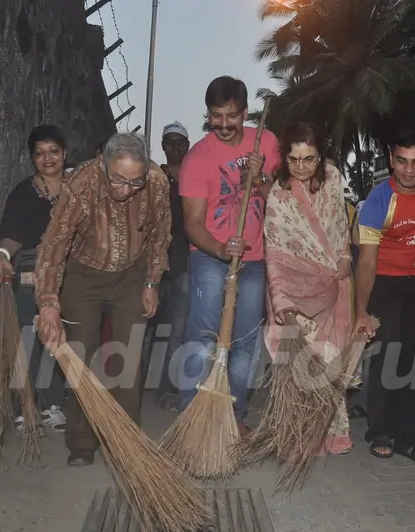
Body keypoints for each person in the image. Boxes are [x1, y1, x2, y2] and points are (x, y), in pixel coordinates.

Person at [34, 132, 171, 467]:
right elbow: (54, 248)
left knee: (130, 356)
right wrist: (49, 304)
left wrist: (152, 281)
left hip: (131, 276)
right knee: (82, 356)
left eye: (134, 182)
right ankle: (82, 441)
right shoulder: (80, 185)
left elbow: (160, 234)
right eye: (118, 180)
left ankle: (127, 441)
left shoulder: (155, 182)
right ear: (103, 164)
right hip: (84, 277)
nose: (126, 190)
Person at [177, 76, 281, 437]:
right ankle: (190, 417)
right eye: (215, 116)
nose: (223, 124)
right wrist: (220, 249)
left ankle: (232, 419)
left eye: (231, 115)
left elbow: (282, 199)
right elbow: (192, 224)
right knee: (203, 336)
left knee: (246, 340)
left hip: (254, 259)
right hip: (209, 255)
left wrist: (262, 176)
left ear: (245, 112)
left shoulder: (266, 141)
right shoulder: (197, 159)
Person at [354, 130, 415, 464]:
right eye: (402, 162)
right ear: (392, 160)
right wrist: (361, 310)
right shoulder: (378, 201)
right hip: (386, 284)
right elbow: (366, 261)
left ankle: (411, 437)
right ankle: (380, 431)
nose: (409, 171)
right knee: (387, 358)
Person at [264, 122, 354, 454]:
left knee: (328, 361)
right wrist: (281, 300)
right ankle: (296, 437)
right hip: (294, 292)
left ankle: (328, 434)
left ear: (321, 156)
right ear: (284, 158)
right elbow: (274, 252)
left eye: (309, 159)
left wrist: (345, 256)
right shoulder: (278, 194)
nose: (301, 167)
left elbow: (341, 224)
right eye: (294, 159)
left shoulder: (332, 179)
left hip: (332, 285)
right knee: (298, 364)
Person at [0, 124, 68, 432]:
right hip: (30, 270)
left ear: (65, 152)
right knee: (27, 337)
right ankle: (24, 405)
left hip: (68, 271)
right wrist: (1, 257)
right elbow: (10, 237)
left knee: (57, 338)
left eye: (53, 151)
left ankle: (52, 404)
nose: (47, 158)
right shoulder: (23, 194)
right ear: (32, 158)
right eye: (39, 153)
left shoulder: (78, 189)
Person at [143, 121, 192, 411]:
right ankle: (136, 387)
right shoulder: (152, 179)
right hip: (153, 266)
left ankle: (167, 389)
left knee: (177, 329)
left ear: (187, 145)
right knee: (146, 327)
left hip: (185, 263)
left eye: (179, 142)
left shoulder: (194, 177)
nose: (175, 146)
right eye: (169, 141)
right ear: (163, 145)